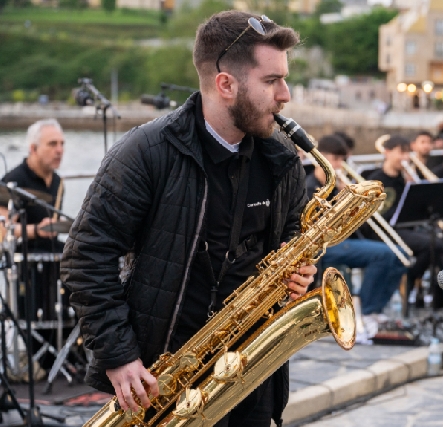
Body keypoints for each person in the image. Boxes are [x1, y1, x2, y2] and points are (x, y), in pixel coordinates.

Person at [60, 11, 315, 427]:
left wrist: (300, 274)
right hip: (163, 381)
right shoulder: (145, 151)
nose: (285, 95)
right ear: (225, 84)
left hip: (252, 377)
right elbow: (85, 258)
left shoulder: (282, 160)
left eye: (284, 79)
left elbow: (290, 243)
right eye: (272, 81)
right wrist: (119, 356)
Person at [305, 135, 406, 339]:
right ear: (320, 159)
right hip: (325, 246)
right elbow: (319, 228)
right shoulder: (311, 187)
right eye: (335, 159)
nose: (339, 165)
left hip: (347, 240)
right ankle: (368, 312)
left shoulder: (337, 184)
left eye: (342, 160)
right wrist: (343, 201)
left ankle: (377, 310)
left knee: (400, 255)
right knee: (383, 255)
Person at [368, 136, 443, 309]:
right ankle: (406, 282)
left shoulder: (404, 179)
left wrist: (412, 189)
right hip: (385, 232)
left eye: (407, 153)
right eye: (401, 153)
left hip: (405, 229)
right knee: (433, 245)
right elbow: (378, 217)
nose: (405, 158)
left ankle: (426, 291)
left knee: (439, 245)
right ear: (387, 153)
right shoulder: (376, 179)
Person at [1, 119, 66, 323]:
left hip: (53, 257)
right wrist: (36, 230)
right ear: (33, 148)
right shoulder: (14, 181)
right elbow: (2, 229)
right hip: (26, 260)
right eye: (52, 144)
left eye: (62, 144)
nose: (59, 150)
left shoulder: (58, 182)